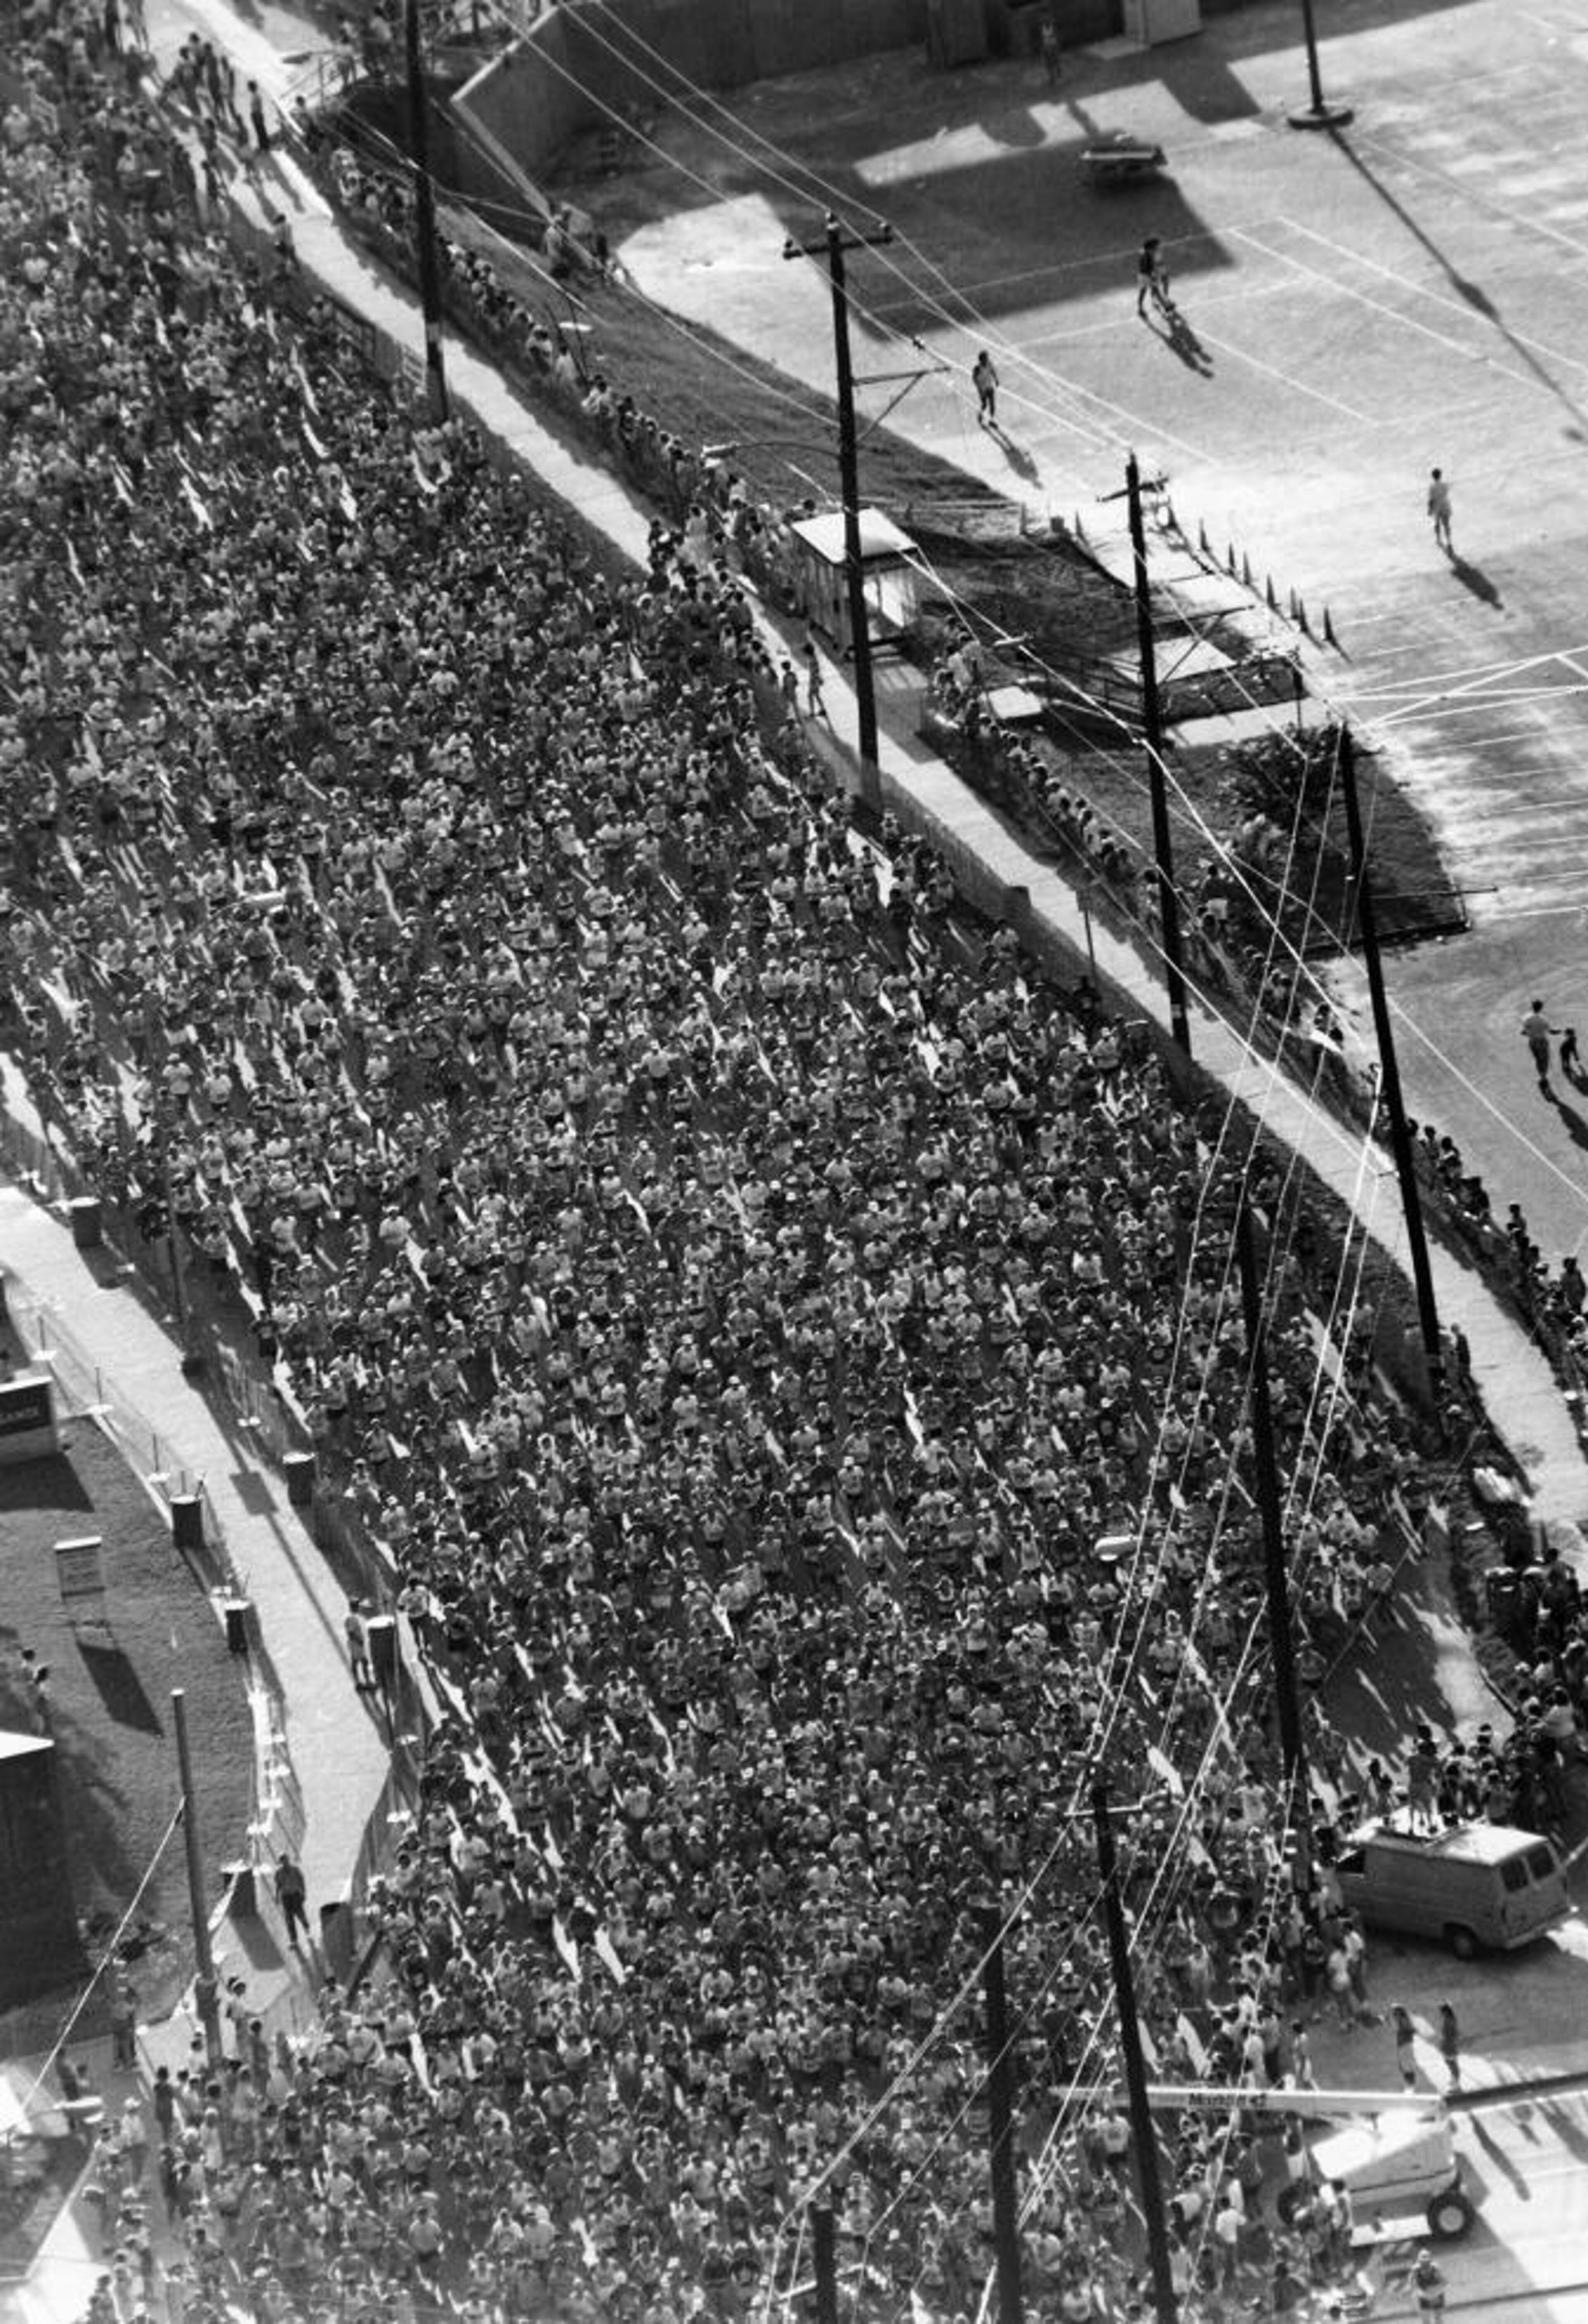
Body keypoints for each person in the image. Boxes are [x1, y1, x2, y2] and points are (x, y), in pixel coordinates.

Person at [1521, 998, 1558, 1090]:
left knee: (1538, 1059)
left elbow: (1524, 1031)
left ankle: (1542, 1076)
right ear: (1541, 1008)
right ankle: (1543, 1077)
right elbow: (1551, 1031)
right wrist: (1557, 1031)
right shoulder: (1544, 1019)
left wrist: (1530, 1033)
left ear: (1532, 1007)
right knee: (1545, 1060)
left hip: (1533, 1042)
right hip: (1542, 1041)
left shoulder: (1526, 1018)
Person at [275, 1852, 310, 1948]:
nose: (285, 1863)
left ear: (289, 1860)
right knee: (289, 1919)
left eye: (286, 1860)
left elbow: (302, 1881)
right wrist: (277, 1897)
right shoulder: (278, 1873)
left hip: (296, 1896)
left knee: (301, 1915)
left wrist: (304, 1893)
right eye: (282, 1861)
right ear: (281, 1863)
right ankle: (294, 1940)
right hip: (285, 1898)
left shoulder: (295, 1870)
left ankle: (307, 1928)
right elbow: (278, 1885)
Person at [1136, 237, 1169, 318]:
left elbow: (1151, 266)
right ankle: (1141, 308)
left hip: (1145, 275)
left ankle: (1165, 307)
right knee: (1144, 292)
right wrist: (1152, 275)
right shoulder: (1146, 256)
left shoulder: (1148, 253)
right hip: (1145, 276)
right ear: (1150, 248)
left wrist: (1153, 273)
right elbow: (1146, 268)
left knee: (1154, 290)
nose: (1157, 248)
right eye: (1155, 247)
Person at [1427, 467, 1452, 552]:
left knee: (1437, 524)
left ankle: (1438, 539)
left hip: (1437, 507)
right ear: (1441, 476)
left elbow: (1431, 500)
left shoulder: (1432, 487)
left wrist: (1430, 510)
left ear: (1433, 477)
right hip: (1445, 505)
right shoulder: (1445, 485)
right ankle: (1449, 542)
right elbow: (1446, 493)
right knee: (1447, 524)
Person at [1438, 2001, 1461, 2093]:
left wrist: (1446, 2040)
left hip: (1449, 2046)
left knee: (1452, 2064)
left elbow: (1454, 2034)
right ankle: (1454, 2079)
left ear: (1446, 2012)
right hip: (1448, 2045)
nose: (1440, 2013)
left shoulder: (1449, 2021)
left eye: (1441, 2011)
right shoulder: (1449, 2019)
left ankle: (1456, 2085)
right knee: (1449, 2063)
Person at [972, 349, 999, 426]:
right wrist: (979, 389)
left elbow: (993, 371)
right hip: (983, 389)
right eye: (986, 358)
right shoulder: (977, 368)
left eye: (987, 358)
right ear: (981, 360)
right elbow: (974, 378)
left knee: (992, 404)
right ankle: (980, 413)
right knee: (984, 405)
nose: (987, 359)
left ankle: (992, 420)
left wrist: (996, 380)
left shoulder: (989, 364)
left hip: (990, 386)